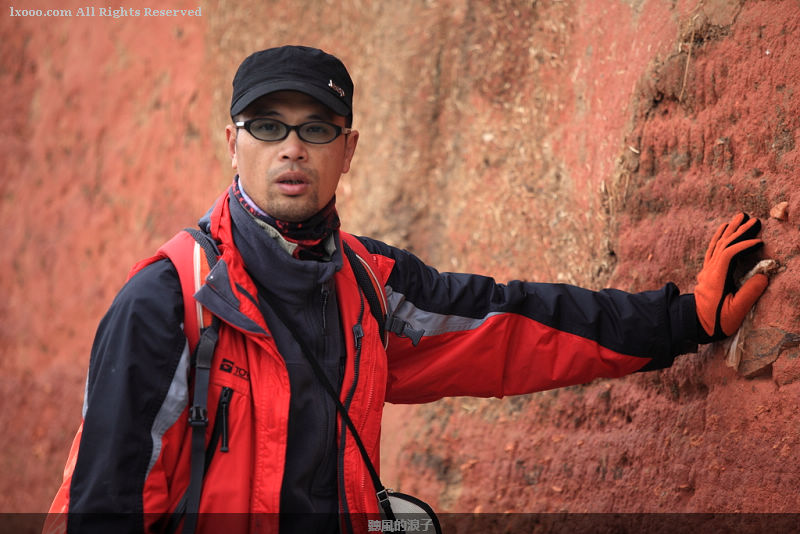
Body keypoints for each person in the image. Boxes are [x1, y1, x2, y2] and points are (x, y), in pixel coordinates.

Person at [47, 45, 769, 533]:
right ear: (233, 143)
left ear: (348, 150)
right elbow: (100, 503)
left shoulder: (371, 287)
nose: (292, 147)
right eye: (267, 126)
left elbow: (515, 325)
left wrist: (685, 320)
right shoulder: (170, 303)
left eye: (316, 128)